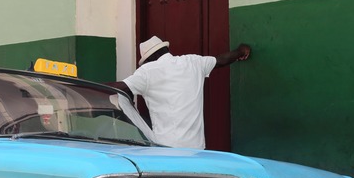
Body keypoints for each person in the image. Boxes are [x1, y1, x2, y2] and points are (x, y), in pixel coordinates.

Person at [107, 36, 251, 149]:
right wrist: (240, 51)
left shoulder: (147, 71)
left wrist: (86, 85)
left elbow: (121, 87)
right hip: (196, 148)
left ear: (149, 59)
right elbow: (221, 60)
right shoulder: (193, 62)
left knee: (121, 98)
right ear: (165, 50)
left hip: (165, 147)